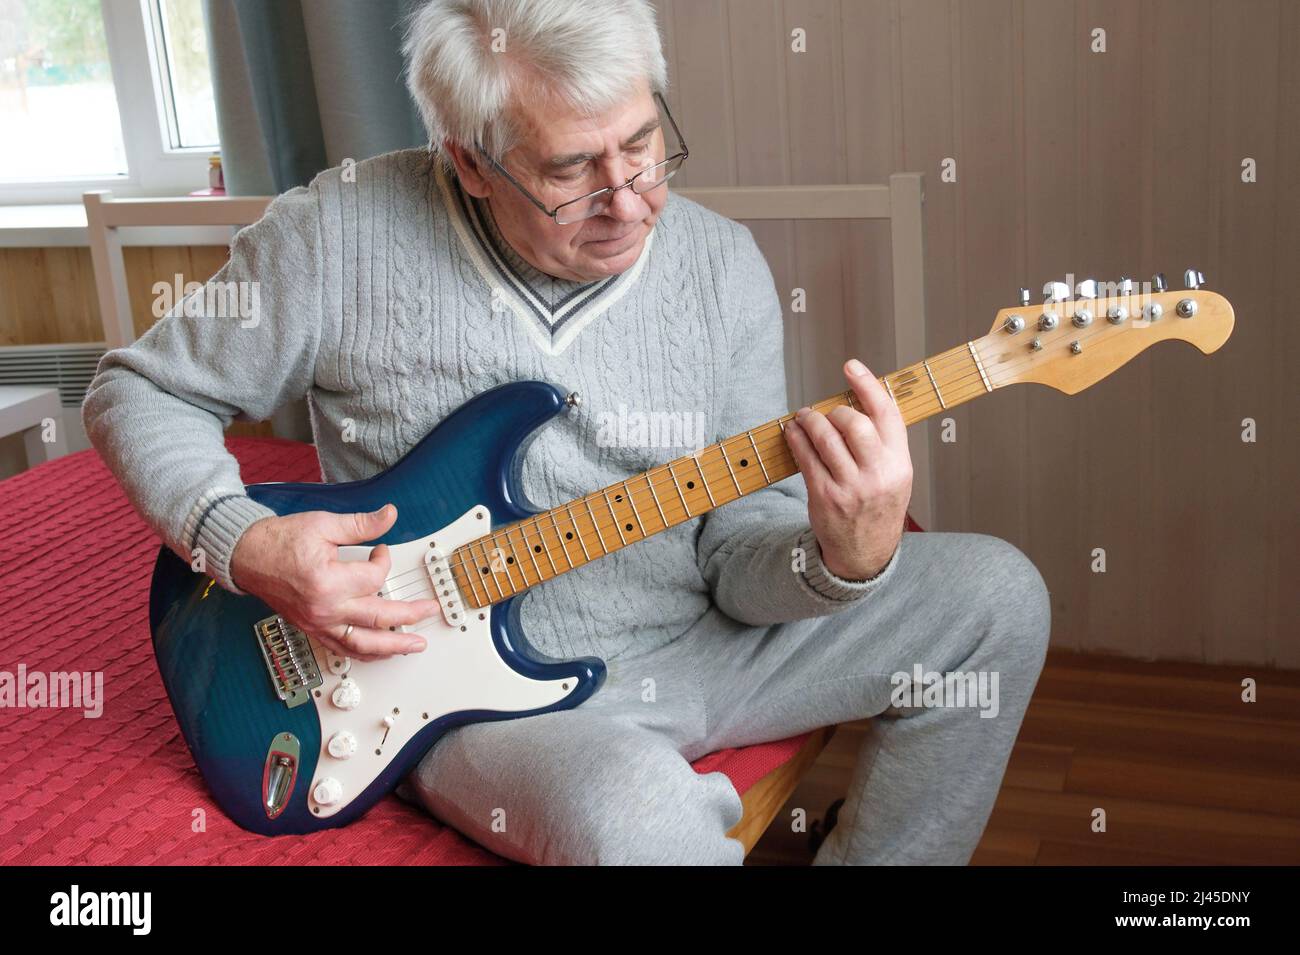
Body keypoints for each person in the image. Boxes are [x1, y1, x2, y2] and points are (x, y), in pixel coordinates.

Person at [83, 0, 1050, 864]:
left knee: (999, 596)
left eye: (641, 144)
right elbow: (139, 391)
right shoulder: (335, 239)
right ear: (468, 158)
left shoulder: (722, 268)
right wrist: (243, 541)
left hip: (709, 637)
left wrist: (841, 557)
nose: (629, 202)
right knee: (631, 816)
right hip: (463, 693)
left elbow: (740, 552)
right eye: (571, 171)